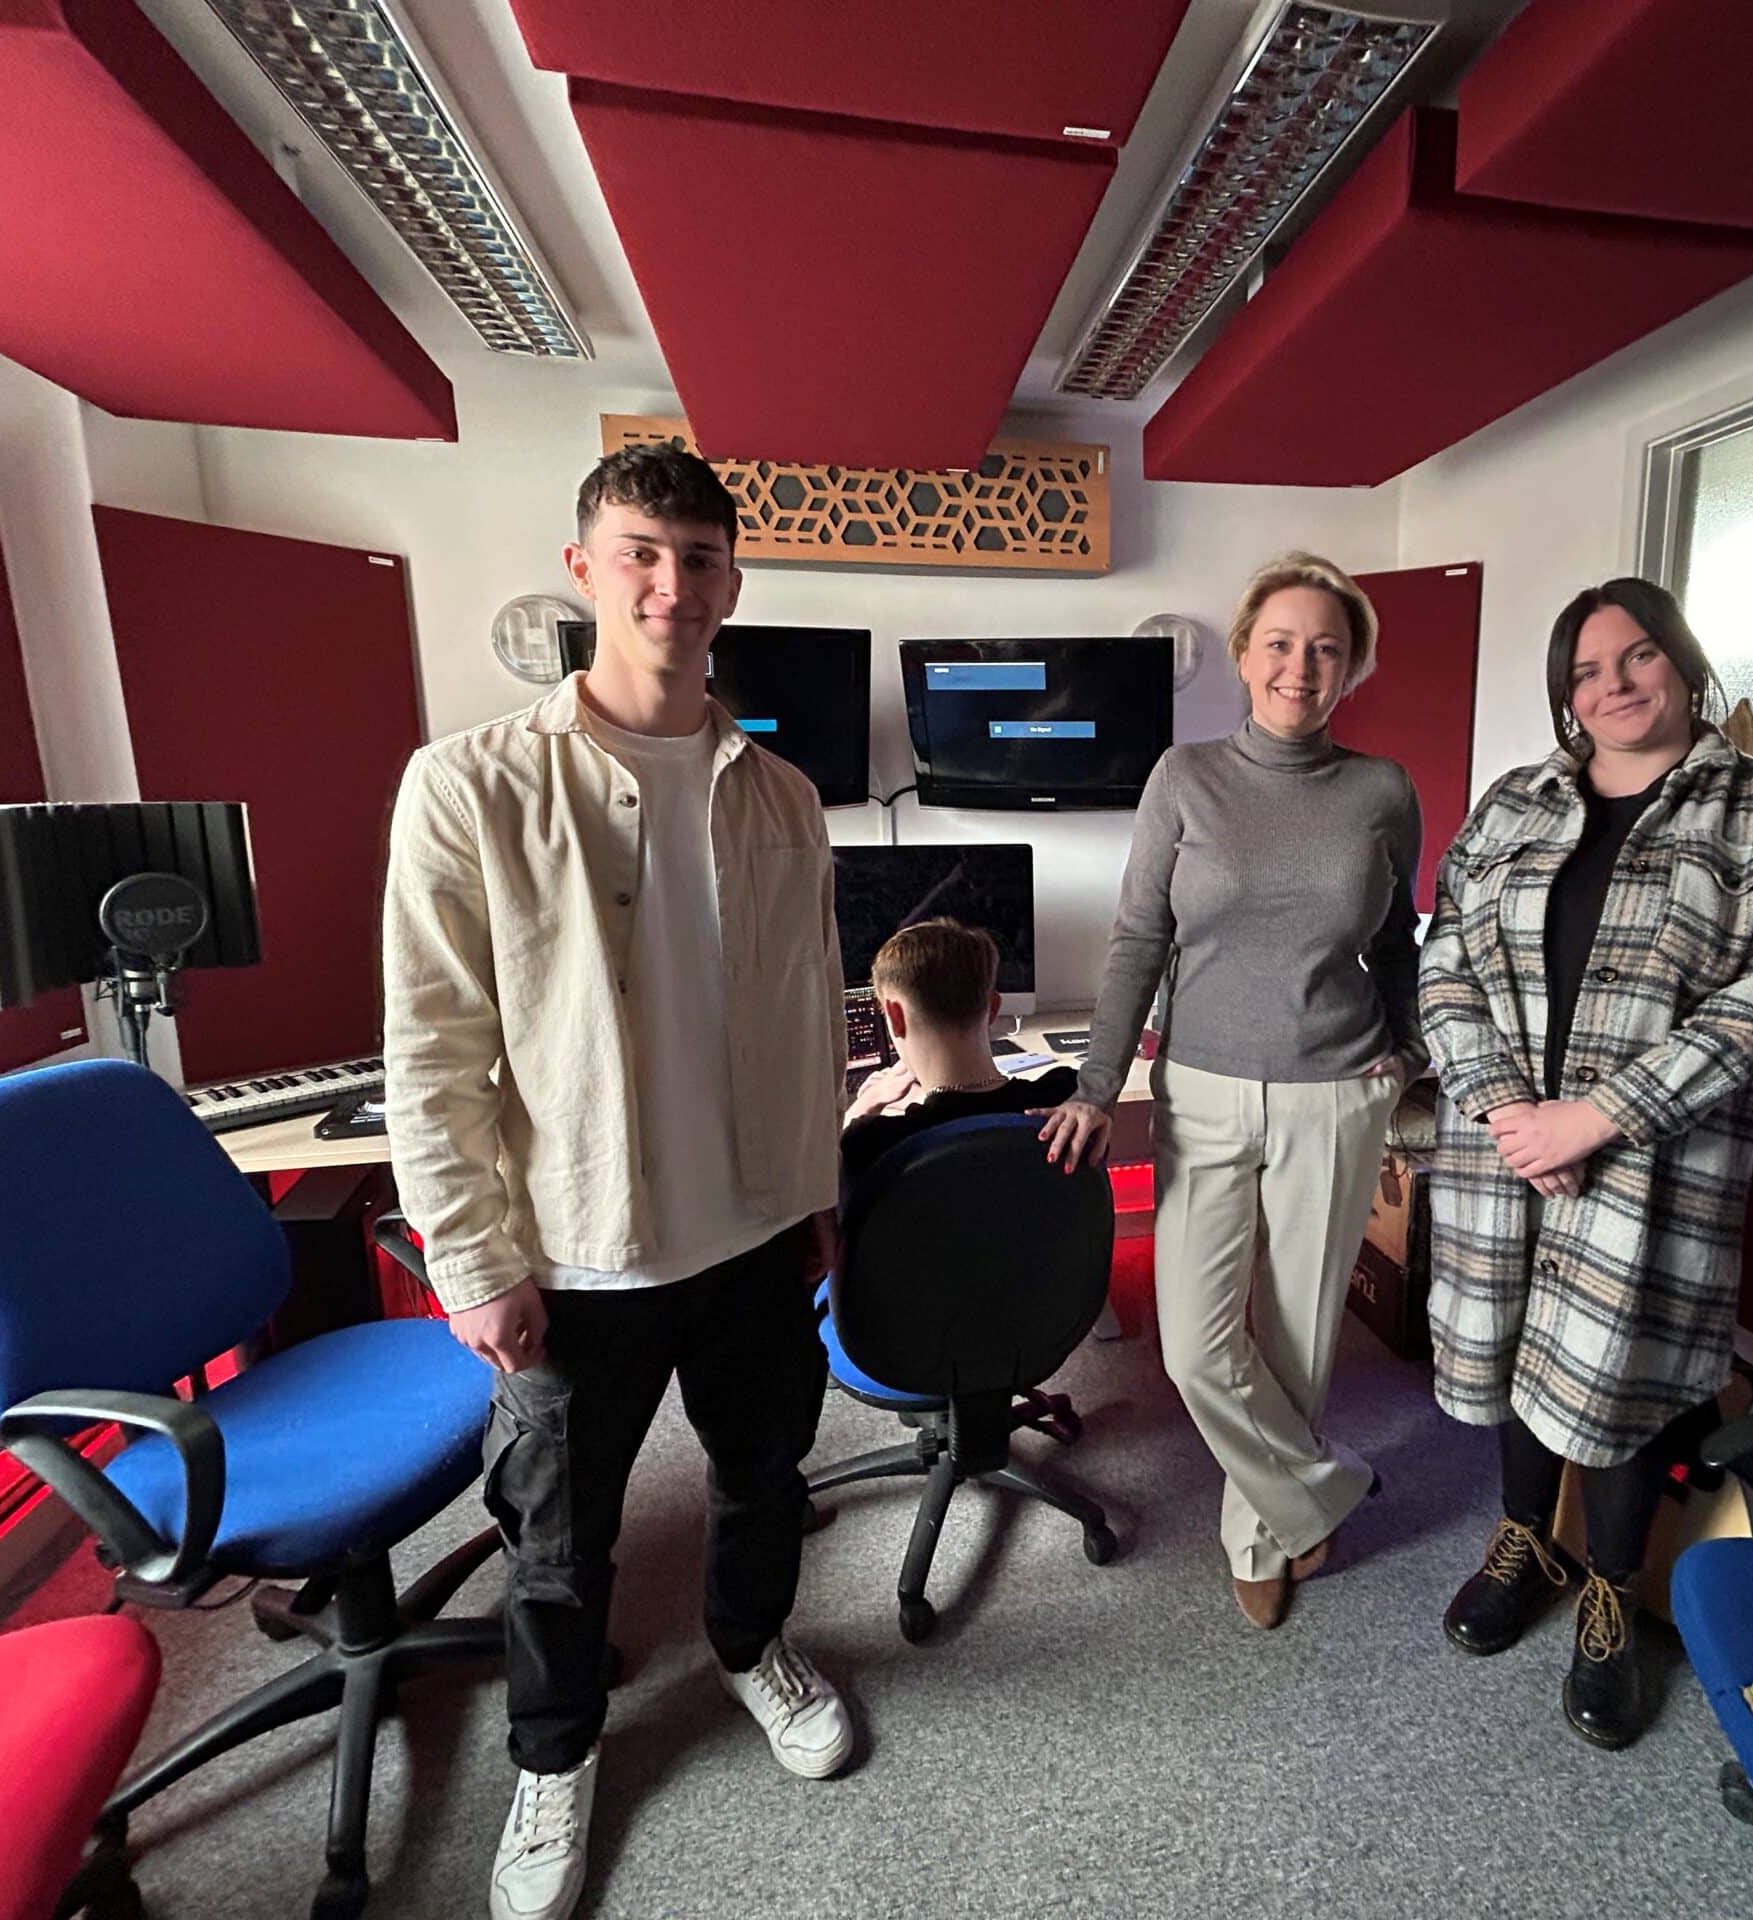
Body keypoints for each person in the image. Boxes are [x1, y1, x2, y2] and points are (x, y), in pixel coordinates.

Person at [383, 443, 854, 1920]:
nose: (672, 582)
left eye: (700, 557)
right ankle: (554, 1756)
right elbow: (432, 1039)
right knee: (559, 1543)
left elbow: (809, 1006)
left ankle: (749, 1646)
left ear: (732, 582)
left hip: (754, 1232)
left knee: (763, 1478)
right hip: (575, 1250)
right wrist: (472, 1259)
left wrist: (819, 1186)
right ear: (584, 570)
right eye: (641, 551)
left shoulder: (781, 791)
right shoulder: (468, 784)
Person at [1419, 577, 1753, 1751]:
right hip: (1500, 1146)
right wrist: (1508, 1107)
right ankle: (1523, 1538)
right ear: (1563, 694)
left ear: (1682, 661)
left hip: (1657, 1159)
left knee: (1626, 1376)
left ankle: (1609, 1585)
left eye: (1636, 658)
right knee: (1512, 1355)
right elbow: (1442, 957)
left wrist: (1596, 1117)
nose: (1611, 687)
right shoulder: (1512, 803)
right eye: (1585, 672)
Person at [1037, 553, 1424, 1630]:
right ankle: (1322, 1493)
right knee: (1200, 1345)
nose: (1302, 665)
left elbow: (1396, 945)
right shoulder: (1184, 777)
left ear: (1351, 669)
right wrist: (1096, 1080)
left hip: (1334, 1093)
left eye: (1327, 648)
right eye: (1282, 642)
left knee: (1298, 1337)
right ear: (1246, 653)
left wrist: (1408, 1047)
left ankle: (1260, 1529)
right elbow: (1136, 942)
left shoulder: (1381, 790)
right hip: (1200, 1090)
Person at [839, 917, 1079, 1194]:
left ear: (894, 1016)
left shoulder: (872, 1142)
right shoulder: (1067, 1095)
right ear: (993, 1007)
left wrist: (863, 1106)